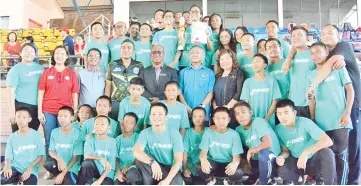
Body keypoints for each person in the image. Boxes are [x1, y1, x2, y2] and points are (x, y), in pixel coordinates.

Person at [306, 25, 361, 184]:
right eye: (323, 33)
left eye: (330, 32)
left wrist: (312, 85)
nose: (326, 35)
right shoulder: (323, 57)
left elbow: (332, 63)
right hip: (329, 111)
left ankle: (352, 181)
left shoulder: (343, 46)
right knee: (331, 150)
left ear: (339, 35)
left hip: (352, 105)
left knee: (352, 146)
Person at [274, 99, 336, 185]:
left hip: (313, 160)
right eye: (279, 114)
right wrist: (281, 157)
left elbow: (328, 141)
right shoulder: (278, 130)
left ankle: (328, 182)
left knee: (327, 152)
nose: (283, 117)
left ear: (294, 113)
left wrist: (306, 153)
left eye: (286, 113)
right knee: (282, 168)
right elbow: (285, 151)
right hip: (297, 162)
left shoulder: (305, 122)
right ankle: (300, 179)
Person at [38, 46, 79, 159]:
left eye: (62, 54)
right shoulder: (46, 72)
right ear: (53, 56)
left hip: (65, 112)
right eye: (57, 53)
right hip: (48, 111)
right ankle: (50, 166)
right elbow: (41, 93)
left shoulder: (72, 74)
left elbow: (75, 94)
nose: (59, 56)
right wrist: (39, 112)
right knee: (49, 138)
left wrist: (75, 111)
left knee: (63, 139)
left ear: (66, 57)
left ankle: (63, 164)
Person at [133, 102, 184, 185]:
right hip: (152, 167)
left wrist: (167, 181)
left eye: (160, 114)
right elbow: (136, 151)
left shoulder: (175, 134)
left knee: (176, 183)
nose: (156, 117)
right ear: (149, 117)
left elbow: (178, 161)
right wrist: (152, 163)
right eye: (153, 114)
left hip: (169, 169)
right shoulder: (144, 133)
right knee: (140, 158)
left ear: (166, 117)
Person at [234, 101, 281, 185]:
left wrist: (252, 150)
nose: (241, 116)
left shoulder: (258, 121)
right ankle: (254, 175)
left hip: (271, 157)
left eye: (243, 112)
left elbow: (267, 144)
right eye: (237, 114)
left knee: (263, 154)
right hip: (256, 159)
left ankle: (266, 181)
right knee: (236, 153)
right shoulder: (238, 130)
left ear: (250, 112)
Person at [196, 107, 246, 185]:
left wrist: (235, 163)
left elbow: (236, 156)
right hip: (214, 163)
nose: (221, 121)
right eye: (217, 118)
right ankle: (210, 180)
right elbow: (203, 152)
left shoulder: (234, 135)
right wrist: (203, 160)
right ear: (213, 119)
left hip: (228, 164)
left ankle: (229, 182)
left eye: (224, 118)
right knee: (199, 166)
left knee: (238, 173)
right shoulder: (208, 133)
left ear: (229, 119)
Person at [0, 107, 45, 185]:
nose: (21, 120)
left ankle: (19, 181)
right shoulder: (12, 137)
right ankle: (16, 180)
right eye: (18, 117)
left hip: (30, 170)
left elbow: (40, 156)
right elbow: (8, 155)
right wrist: (7, 166)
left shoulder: (36, 135)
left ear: (29, 119)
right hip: (14, 167)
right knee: (2, 179)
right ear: (15, 119)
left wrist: (30, 168)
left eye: (24, 117)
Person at [7, 44, 44, 132]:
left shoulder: (41, 69)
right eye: (26, 50)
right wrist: (12, 112)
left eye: (31, 51)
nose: (29, 53)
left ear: (35, 54)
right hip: (21, 106)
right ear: (20, 53)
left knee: (32, 135)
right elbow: (10, 91)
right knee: (19, 135)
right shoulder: (15, 69)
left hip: (36, 108)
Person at [105, 39, 144, 120]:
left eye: (129, 48)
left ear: (133, 51)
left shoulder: (139, 65)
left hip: (132, 102)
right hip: (115, 103)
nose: (126, 50)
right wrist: (107, 103)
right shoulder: (112, 64)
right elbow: (108, 85)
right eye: (123, 47)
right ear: (120, 50)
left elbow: (141, 86)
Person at [43, 106, 83, 184]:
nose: (62, 118)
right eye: (60, 116)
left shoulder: (77, 134)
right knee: (48, 164)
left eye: (65, 116)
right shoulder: (54, 132)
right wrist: (59, 160)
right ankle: (60, 176)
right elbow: (51, 151)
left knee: (65, 181)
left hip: (72, 167)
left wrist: (63, 173)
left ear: (72, 118)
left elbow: (75, 158)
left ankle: (66, 177)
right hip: (60, 165)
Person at [240, 53, 281, 128]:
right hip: (252, 121)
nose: (255, 64)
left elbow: (275, 102)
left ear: (265, 65)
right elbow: (246, 103)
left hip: (269, 121)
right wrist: (251, 119)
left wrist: (266, 119)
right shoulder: (247, 82)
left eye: (258, 61)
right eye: (253, 62)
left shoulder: (272, 81)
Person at [179, 46, 215, 122]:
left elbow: (210, 93)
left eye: (197, 52)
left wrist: (201, 107)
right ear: (189, 56)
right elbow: (179, 92)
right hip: (186, 112)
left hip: (203, 112)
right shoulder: (183, 72)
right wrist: (186, 107)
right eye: (192, 53)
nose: (195, 54)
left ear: (203, 56)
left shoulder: (209, 72)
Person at [77, 115, 117, 185]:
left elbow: (110, 165)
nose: (99, 127)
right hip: (93, 170)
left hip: (106, 174)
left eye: (102, 124)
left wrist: (99, 181)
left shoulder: (113, 142)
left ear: (108, 127)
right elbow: (87, 156)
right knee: (87, 163)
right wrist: (101, 159)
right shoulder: (90, 138)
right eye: (96, 124)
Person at [179, 5, 213, 69]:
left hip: (201, 62)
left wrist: (207, 38)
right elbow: (184, 47)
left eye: (196, 12)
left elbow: (210, 48)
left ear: (201, 15)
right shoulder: (186, 29)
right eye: (192, 12)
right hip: (187, 62)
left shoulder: (206, 27)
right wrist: (182, 41)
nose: (194, 13)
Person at [114, 112, 142, 185]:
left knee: (132, 176)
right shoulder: (117, 139)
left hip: (134, 168)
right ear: (122, 122)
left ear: (135, 125)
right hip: (120, 170)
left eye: (131, 123)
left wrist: (129, 165)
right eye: (126, 122)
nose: (128, 125)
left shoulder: (139, 138)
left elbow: (141, 156)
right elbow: (115, 158)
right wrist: (118, 173)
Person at [183, 107, 207, 185]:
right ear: (191, 117)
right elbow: (185, 153)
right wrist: (185, 167)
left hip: (205, 167)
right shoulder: (187, 132)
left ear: (205, 117)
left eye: (200, 116)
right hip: (191, 166)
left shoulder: (209, 131)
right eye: (195, 116)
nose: (197, 119)